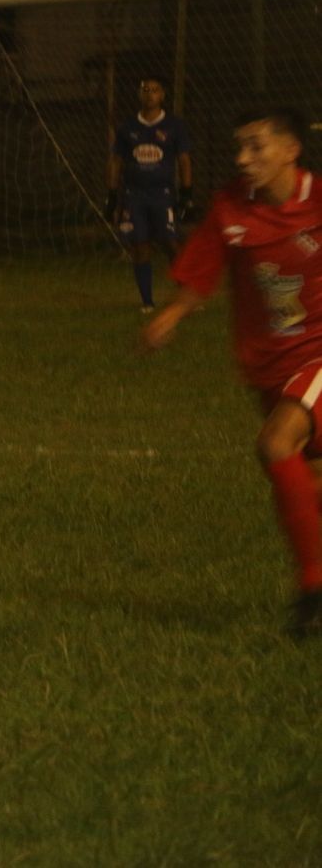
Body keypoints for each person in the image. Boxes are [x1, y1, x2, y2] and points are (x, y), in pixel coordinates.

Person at [143, 105, 322, 638]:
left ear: (291, 150)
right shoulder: (229, 207)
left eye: (256, 146)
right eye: (240, 148)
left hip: (317, 355)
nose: (244, 158)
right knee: (307, 482)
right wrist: (170, 316)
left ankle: (313, 589)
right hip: (267, 365)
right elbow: (201, 270)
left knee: (274, 444)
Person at [107, 75, 193, 312]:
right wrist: (112, 195)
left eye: (155, 90)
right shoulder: (127, 128)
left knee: (170, 243)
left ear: (162, 95)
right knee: (140, 246)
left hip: (162, 194)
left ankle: (187, 295)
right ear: (139, 94)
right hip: (134, 195)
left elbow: (184, 160)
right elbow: (116, 161)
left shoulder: (174, 126)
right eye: (145, 90)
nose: (149, 94)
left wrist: (187, 193)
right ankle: (147, 301)